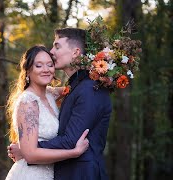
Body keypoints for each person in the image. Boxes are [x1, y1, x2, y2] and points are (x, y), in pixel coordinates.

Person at [8, 28, 112, 180]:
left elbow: (71, 140)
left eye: (57, 46)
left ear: (76, 52)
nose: (52, 51)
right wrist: (27, 150)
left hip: (82, 173)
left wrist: (24, 150)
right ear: (28, 71)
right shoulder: (73, 88)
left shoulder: (89, 88)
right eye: (38, 65)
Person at [5, 45, 90, 180]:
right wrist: (73, 152)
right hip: (30, 175)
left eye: (50, 65)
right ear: (28, 71)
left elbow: (76, 87)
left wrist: (100, 68)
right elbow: (31, 155)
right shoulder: (28, 102)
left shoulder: (50, 94)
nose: (46, 70)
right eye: (39, 66)